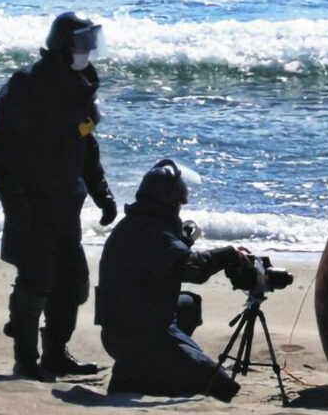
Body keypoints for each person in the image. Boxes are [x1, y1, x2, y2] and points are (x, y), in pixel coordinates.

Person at [0, 12, 117, 381]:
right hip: (31, 196)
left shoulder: (83, 84)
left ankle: (55, 355)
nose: (89, 49)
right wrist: (17, 202)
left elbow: (86, 146)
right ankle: (26, 360)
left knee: (72, 281)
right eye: (83, 41)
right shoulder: (27, 84)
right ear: (63, 44)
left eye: (92, 41)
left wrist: (102, 193)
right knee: (37, 276)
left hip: (64, 200)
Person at [96, 160, 246, 402]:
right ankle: (137, 373)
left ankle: (140, 368)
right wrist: (228, 254)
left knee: (188, 304)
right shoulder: (154, 233)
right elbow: (194, 269)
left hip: (119, 328)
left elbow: (161, 266)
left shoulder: (133, 225)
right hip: (139, 337)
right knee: (222, 387)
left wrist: (184, 243)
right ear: (170, 203)